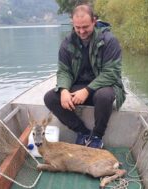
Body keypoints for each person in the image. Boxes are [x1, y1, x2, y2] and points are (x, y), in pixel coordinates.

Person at [44, 4, 126, 149]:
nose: (81, 31)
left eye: (85, 27)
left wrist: (87, 90)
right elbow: (64, 71)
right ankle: (82, 132)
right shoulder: (67, 43)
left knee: (104, 96)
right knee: (50, 98)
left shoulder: (109, 41)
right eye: (77, 27)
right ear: (72, 23)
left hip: (104, 87)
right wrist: (63, 90)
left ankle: (96, 136)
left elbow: (111, 73)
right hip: (80, 87)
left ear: (94, 21)